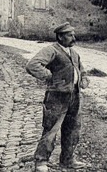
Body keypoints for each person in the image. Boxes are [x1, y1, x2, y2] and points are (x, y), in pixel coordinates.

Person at [26, 22, 90, 172]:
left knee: (73, 129)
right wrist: (49, 77)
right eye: (69, 35)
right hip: (56, 97)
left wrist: (84, 79)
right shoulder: (51, 50)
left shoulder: (73, 53)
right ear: (60, 37)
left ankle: (67, 159)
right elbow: (32, 65)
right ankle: (41, 161)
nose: (73, 38)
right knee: (51, 129)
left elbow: (81, 69)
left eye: (73, 34)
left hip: (74, 96)